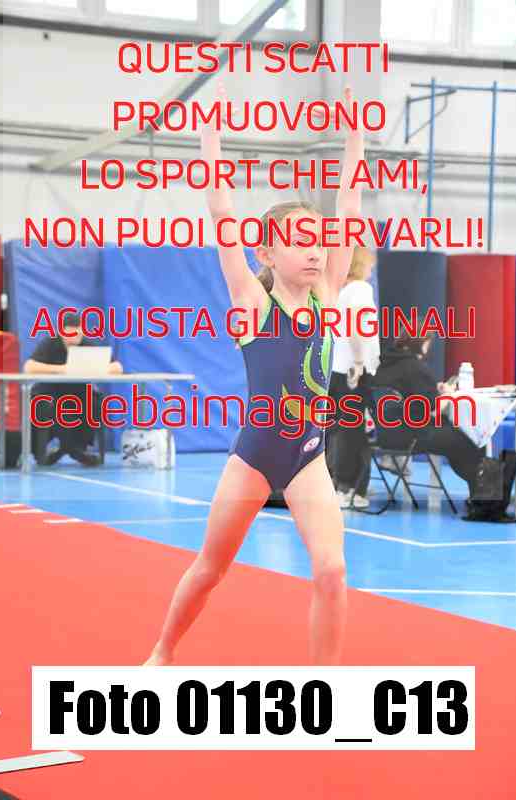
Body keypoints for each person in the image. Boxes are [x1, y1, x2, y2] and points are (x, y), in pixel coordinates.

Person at [144, 84, 364, 666]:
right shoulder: (252, 302)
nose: (315, 252)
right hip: (254, 458)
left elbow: (350, 208)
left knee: (332, 570)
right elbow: (222, 212)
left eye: (319, 243)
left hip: (307, 457)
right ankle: (163, 652)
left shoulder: (327, 294)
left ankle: (325, 684)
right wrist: (210, 134)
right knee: (211, 568)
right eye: (300, 243)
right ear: (266, 253)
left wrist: (355, 140)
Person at [373, 326, 486, 496]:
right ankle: (485, 495)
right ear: (421, 342)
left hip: (386, 434)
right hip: (413, 435)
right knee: (474, 439)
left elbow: (412, 396)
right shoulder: (416, 368)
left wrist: (434, 390)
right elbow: (434, 409)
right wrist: (448, 395)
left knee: (460, 442)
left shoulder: (385, 365)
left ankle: (480, 492)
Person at [24, 311, 123, 466]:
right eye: (68, 335)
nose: (72, 339)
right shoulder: (50, 343)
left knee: (95, 404)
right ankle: (70, 450)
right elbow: (29, 367)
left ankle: (75, 448)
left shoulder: (87, 345)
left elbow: (117, 367)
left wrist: (96, 368)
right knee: (46, 406)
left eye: (76, 335)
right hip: (49, 392)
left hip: (77, 393)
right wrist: (62, 369)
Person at [326, 246, 380, 509]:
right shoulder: (360, 289)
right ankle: (351, 488)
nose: (371, 269)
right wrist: (359, 363)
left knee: (340, 430)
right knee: (355, 432)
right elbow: (358, 328)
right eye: (369, 264)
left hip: (337, 370)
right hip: (354, 370)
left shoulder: (339, 291)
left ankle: (339, 484)